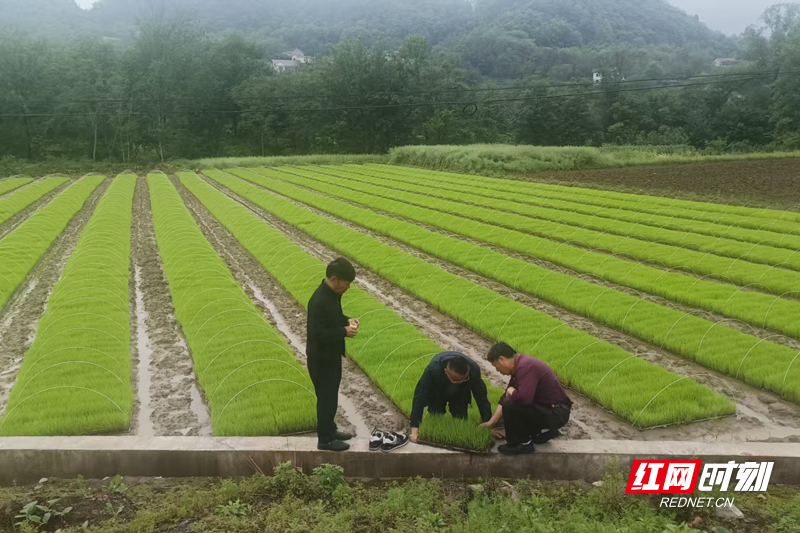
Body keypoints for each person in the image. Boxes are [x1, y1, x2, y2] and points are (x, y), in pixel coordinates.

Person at [480, 342, 572, 455]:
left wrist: (512, 391)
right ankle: (543, 432)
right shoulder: (520, 365)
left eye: (495, 366)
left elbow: (524, 399)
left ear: (501, 359)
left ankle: (522, 444)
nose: (497, 370)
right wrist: (491, 422)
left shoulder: (525, 366)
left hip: (556, 413)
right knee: (510, 399)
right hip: (552, 410)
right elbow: (505, 396)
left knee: (512, 402)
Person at [307, 257, 360, 451]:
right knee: (326, 398)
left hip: (330, 355)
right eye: (347, 283)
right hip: (321, 359)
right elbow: (317, 333)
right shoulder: (320, 300)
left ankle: (330, 429)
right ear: (335, 279)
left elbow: (334, 318)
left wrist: (347, 320)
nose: (348, 287)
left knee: (331, 396)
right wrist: (343, 331)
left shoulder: (331, 296)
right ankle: (325, 440)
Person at [408, 351, 493, 444]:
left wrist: (488, 422)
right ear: (446, 371)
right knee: (436, 413)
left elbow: (481, 396)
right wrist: (414, 429)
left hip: (461, 392)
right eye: (456, 380)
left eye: (462, 379)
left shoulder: (474, 370)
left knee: (461, 419)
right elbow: (419, 397)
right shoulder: (433, 369)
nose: (459, 382)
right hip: (438, 388)